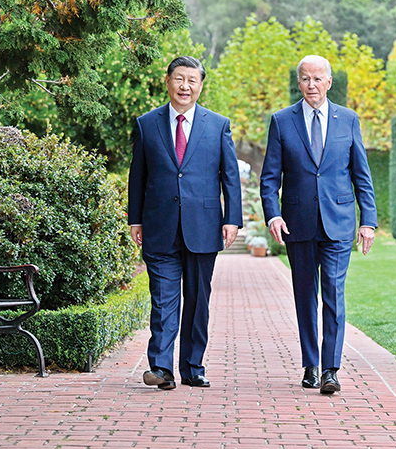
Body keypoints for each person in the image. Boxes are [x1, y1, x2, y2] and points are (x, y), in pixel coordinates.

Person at [260, 54, 377, 395]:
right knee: (305, 296)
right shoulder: (282, 121)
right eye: (305, 79)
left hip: (339, 223)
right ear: (299, 83)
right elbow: (270, 178)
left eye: (317, 79)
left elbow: (362, 177)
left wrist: (367, 221)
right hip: (297, 224)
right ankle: (310, 365)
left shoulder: (348, 120)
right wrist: (273, 213)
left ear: (329, 82)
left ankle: (330, 369)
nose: (311, 85)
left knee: (334, 295)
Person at [128, 55, 243, 390]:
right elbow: (138, 176)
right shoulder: (147, 124)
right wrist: (135, 218)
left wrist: (231, 219)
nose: (185, 86)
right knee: (163, 299)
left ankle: (193, 366)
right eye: (179, 79)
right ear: (168, 81)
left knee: (196, 299)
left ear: (201, 85)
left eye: (192, 80)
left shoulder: (218, 124)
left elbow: (230, 177)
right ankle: (161, 368)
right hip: (159, 225)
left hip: (204, 225)